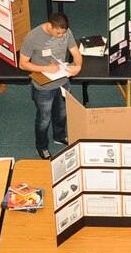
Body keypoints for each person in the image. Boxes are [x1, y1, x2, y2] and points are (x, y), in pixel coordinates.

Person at [19, 12, 83, 160]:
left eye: (63, 33)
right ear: (50, 25)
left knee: (61, 113)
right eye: (58, 33)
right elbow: (22, 64)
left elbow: (76, 53)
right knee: (44, 119)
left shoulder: (66, 32)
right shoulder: (32, 37)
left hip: (62, 82)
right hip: (43, 88)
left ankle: (59, 136)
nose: (61, 36)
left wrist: (78, 67)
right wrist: (46, 69)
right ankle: (41, 146)